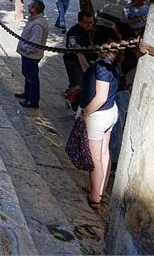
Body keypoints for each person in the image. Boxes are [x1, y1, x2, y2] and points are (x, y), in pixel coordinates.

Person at [76, 26, 121, 210]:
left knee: (95, 159)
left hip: (98, 115)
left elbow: (100, 96)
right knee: (104, 153)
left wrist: (85, 113)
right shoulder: (110, 62)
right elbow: (90, 73)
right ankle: (99, 190)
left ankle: (95, 197)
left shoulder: (103, 66)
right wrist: (80, 55)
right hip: (110, 112)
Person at [15, 0, 49, 108]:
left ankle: (33, 100)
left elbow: (34, 43)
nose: (28, 6)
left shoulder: (38, 24)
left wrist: (25, 48)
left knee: (32, 77)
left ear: (34, 9)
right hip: (28, 55)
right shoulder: (35, 20)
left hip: (31, 55)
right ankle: (27, 94)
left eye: (30, 5)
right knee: (27, 75)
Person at [63, 11, 94, 110]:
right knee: (78, 83)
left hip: (87, 60)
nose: (89, 25)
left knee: (83, 83)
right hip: (74, 61)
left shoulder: (92, 30)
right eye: (86, 22)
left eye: (91, 22)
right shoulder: (73, 32)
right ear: (79, 21)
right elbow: (72, 47)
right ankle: (75, 107)